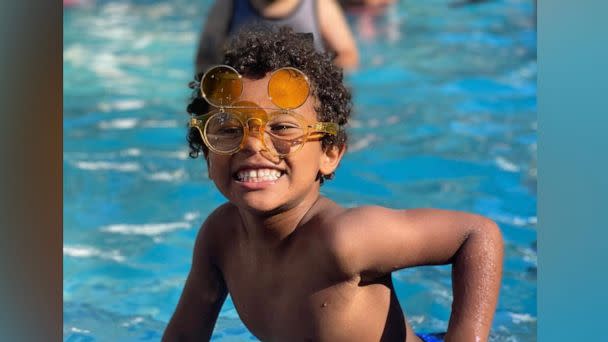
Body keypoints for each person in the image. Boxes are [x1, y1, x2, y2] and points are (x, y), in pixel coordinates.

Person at [164, 26, 503, 341]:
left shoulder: (344, 240)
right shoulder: (220, 238)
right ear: (207, 153)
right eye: (228, 130)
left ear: (330, 152)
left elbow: (476, 235)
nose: (253, 144)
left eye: (282, 128)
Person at [194, 0, 359, 76]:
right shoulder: (228, 5)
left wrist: (316, 78)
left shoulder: (318, 5)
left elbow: (347, 55)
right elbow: (206, 57)